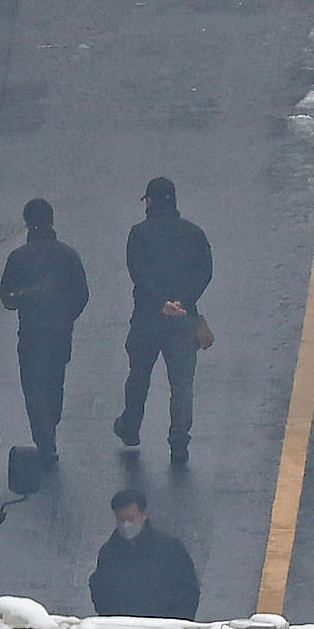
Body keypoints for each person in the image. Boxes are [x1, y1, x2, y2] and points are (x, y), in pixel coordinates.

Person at [113, 176, 212, 466]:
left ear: (150, 201)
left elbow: (138, 273)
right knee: (182, 384)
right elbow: (205, 271)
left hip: (147, 317)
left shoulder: (139, 234)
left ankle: (131, 426)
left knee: (139, 375)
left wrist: (161, 303)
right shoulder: (194, 234)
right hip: (184, 318)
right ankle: (179, 441)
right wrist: (183, 300)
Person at [0, 197, 88, 468]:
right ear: (51, 220)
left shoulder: (18, 258)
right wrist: (66, 316)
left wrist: (23, 300)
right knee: (54, 383)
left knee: (34, 387)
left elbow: (7, 299)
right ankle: (50, 426)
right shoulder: (68, 255)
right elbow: (82, 295)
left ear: (27, 223)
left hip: (31, 333)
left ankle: (45, 440)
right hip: (60, 332)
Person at [88, 489, 200, 620]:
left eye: (131, 519)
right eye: (121, 520)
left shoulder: (170, 549)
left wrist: (179, 622)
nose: (126, 525)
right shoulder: (109, 553)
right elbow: (101, 590)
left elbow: (188, 590)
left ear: (144, 514)